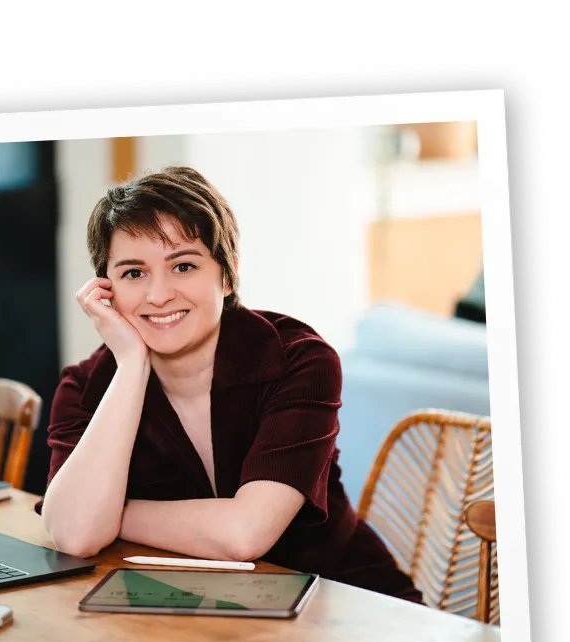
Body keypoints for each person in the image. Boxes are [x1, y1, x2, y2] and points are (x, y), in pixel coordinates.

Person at [34, 164, 423, 604]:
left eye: (183, 266)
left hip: (347, 604)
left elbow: (245, 534)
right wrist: (130, 366)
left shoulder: (299, 361)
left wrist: (111, 514)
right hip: (197, 612)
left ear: (228, 274)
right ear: (106, 290)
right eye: (134, 273)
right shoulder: (86, 386)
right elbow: (77, 535)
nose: (158, 295)